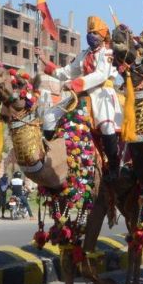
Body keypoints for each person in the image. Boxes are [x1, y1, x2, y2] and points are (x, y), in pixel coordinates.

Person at [36, 15, 122, 178]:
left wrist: (75, 84)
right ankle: (49, 156)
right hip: (81, 95)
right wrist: (44, 61)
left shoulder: (108, 52)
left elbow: (100, 75)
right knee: (49, 117)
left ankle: (113, 167)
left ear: (103, 35)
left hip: (102, 94)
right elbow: (67, 72)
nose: (91, 36)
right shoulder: (84, 54)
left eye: (95, 33)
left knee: (106, 126)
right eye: (89, 32)